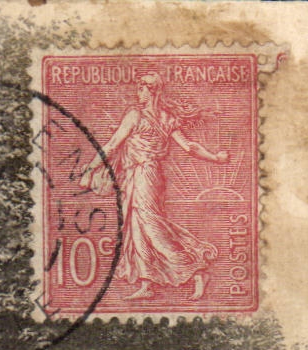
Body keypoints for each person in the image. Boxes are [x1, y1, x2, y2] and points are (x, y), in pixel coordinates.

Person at [77, 72, 230, 301]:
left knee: (151, 226)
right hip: (142, 175)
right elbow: (190, 147)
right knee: (136, 227)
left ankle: (195, 270)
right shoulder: (166, 118)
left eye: (141, 89)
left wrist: (90, 168)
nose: (138, 93)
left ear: (151, 91)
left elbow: (111, 145)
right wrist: (215, 157)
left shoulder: (136, 115)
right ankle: (147, 283)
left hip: (145, 174)